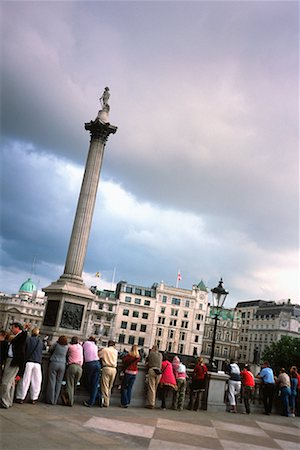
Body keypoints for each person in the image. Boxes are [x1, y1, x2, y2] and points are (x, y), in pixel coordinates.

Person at [0, 322, 27, 409]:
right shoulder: (17, 337)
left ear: (17, 328)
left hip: (13, 361)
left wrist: (25, 329)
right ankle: (9, 401)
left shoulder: (20, 336)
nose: (11, 329)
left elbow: (23, 336)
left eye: (12, 328)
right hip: (12, 361)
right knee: (11, 383)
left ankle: (4, 401)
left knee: (5, 382)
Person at [15, 327, 43, 404]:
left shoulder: (28, 339)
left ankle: (21, 397)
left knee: (25, 380)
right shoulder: (40, 341)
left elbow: (24, 350)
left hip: (29, 361)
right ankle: (34, 398)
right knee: (36, 381)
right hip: (38, 362)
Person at [45, 335, 68, 405]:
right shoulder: (67, 347)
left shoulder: (56, 345)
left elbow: (50, 350)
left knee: (52, 381)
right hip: (62, 364)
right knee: (59, 382)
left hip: (54, 363)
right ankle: (55, 400)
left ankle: (50, 399)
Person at [62, 337, 83, 407]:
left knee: (70, 385)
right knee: (74, 385)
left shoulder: (70, 347)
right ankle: (69, 398)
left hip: (72, 366)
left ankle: (70, 401)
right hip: (80, 368)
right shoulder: (80, 347)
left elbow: (66, 354)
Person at [82, 336, 101, 407]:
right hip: (97, 363)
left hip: (90, 364)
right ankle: (98, 398)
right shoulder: (95, 346)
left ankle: (92, 401)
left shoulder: (86, 343)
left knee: (87, 382)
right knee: (95, 384)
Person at [99, 340, 118, 407]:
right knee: (110, 386)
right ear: (114, 345)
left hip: (106, 368)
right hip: (114, 369)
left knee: (105, 386)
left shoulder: (105, 350)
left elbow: (98, 356)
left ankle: (106, 402)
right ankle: (108, 399)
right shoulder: (116, 351)